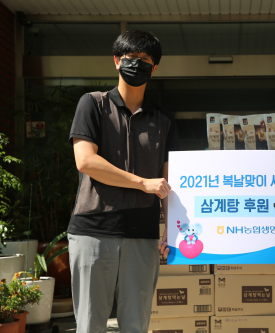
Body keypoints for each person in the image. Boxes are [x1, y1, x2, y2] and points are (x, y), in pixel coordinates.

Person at [68, 30, 179, 333]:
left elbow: (169, 182)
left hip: (142, 234)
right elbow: (86, 161)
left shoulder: (164, 120)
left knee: (136, 325)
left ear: (154, 68)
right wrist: (143, 183)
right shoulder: (93, 105)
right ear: (116, 61)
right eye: (130, 58)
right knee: (90, 325)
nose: (137, 64)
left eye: (145, 60)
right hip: (94, 230)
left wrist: (173, 228)